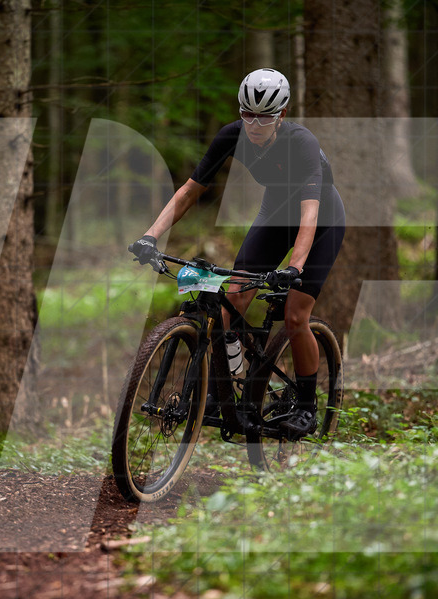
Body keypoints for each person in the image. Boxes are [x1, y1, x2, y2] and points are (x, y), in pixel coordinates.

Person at [128, 67, 345, 438]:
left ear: (283, 114)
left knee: (295, 316)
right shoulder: (232, 135)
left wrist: (294, 268)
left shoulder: (301, 143)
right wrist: (150, 236)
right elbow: (188, 192)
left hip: (321, 220)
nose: (255, 125)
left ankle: (307, 407)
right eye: (248, 114)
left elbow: (310, 213)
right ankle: (221, 392)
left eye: (265, 117)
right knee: (231, 303)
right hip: (276, 215)